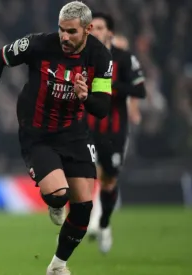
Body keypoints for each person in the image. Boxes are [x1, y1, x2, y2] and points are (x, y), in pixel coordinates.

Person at [0, 2, 112, 274]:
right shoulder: (38, 45)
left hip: (75, 134)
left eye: (71, 32)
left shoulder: (100, 57)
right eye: (61, 30)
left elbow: (103, 108)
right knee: (59, 195)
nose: (64, 37)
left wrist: (86, 97)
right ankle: (56, 203)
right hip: (38, 133)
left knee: (84, 206)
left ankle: (58, 265)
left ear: (88, 30)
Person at [86, 12, 146, 253]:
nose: (95, 32)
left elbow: (140, 91)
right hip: (87, 128)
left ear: (110, 32)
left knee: (109, 181)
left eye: (100, 27)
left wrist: (113, 86)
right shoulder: (83, 58)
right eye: (91, 28)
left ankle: (104, 223)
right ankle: (84, 222)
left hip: (114, 130)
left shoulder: (124, 58)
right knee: (84, 175)